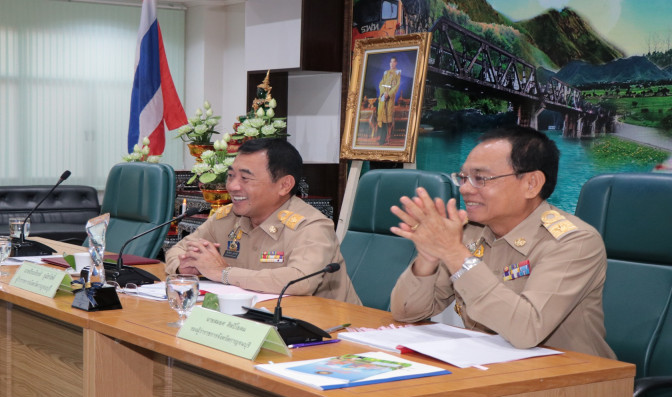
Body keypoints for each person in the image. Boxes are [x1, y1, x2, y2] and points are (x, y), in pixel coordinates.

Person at [388, 126, 615, 358]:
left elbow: (526, 330)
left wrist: (455, 254)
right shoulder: (469, 233)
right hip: (487, 368)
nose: (465, 189)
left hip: (569, 383)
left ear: (531, 183)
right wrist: (427, 259)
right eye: (463, 178)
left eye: (481, 178)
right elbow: (407, 313)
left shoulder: (573, 242)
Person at [165, 138, 361, 305]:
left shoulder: (312, 226)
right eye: (231, 176)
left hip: (327, 331)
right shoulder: (227, 217)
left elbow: (300, 281)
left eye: (245, 178)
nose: (232, 186)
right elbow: (178, 250)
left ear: (284, 185)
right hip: (253, 322)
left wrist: (223, 273)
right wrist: (184, 267)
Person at [377, 56, 401, 145]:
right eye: (390, 62)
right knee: (381, 116)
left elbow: (396, 86)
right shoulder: (385, 72)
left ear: (396, 63)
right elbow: (381, 84)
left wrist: (389, 93)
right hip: (383, 95)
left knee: (387, 118)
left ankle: (385, 138)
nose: (392, 63)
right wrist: (383, 93)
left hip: (389, 97)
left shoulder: (398, 72)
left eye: (393, 62)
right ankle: (381, 138)